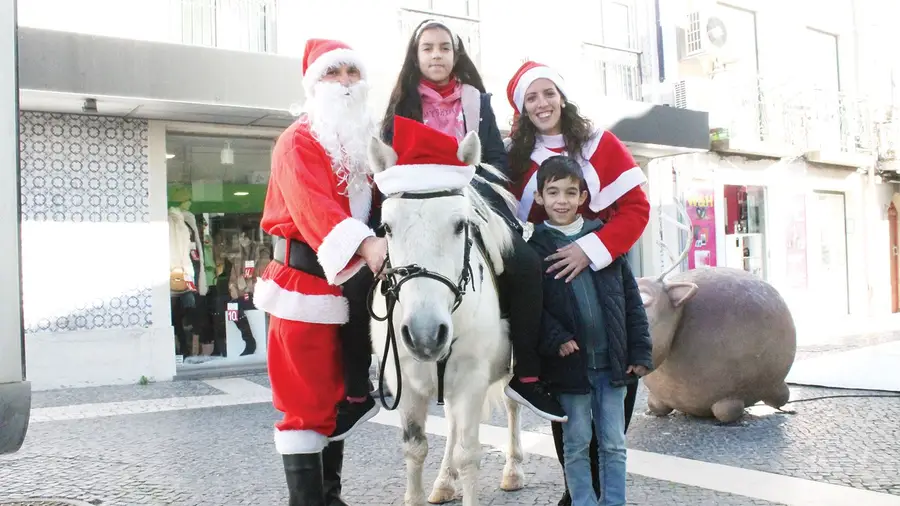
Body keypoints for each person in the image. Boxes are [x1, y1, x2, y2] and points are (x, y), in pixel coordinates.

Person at [380, 19, 566, 422]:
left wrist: (473, 190)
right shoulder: (400, 107)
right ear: (416, 56)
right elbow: (388, 165)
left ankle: (528, 373)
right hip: (416, 211)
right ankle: (371, 370)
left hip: (471, 203)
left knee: (525, 264)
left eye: (444, 47)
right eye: (427, 48)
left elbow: (495, 160)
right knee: (371, 275)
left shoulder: (477, 101)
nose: (436, 55)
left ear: (456, 54)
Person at [504, 60, 651, 506]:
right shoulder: (514, 157)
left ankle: (607, 494)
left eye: (548, 93)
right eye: (532, 97)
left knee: (613, 411)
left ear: (562, 97)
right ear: (522, 107)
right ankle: (577, 493)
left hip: (605, 279)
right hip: (553, 293)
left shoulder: (599, 144)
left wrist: (590, 250)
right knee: (568, 410)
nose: (542, 103)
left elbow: (635, 209)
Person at [254, 38, 387, 506]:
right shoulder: (296, 141)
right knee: (304, 404)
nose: (346, 83)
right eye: (335, 74)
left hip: (349, 284)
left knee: (336, 403)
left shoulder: (362, 147)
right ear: (315, 85)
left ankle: (330, 497)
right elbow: (314, 207)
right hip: (304, 285)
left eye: (353, 73)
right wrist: (367, 243)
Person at [528, 155, 653, 506]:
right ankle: (582, 501)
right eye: (553, 193)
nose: (562, 200)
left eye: (570, 192)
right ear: (539, 198)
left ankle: (614, 502)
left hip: (613, 366)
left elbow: (630, 299)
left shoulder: (602, 237)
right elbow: (531, 306)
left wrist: (640, 352)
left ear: (583, 196)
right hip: (570, 369)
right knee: (576, 442)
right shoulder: (535, 248)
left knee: (614, 442)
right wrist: (555, 338)